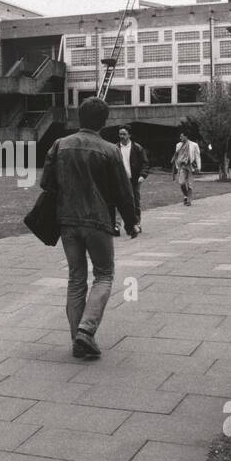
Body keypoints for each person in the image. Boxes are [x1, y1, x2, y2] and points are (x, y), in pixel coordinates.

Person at [41, 97, 140, 360]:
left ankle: (79, 339)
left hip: (68, 221)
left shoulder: (60, 145)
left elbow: (45, 183)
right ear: (104, 121)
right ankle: (86, 330)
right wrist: (132, 222)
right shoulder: (110, 150)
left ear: (79, 118)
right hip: (98, 221)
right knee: (104, 275)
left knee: (76, 278)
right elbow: (124, 192)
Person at [114, 126, 150, 235]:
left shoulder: (137, 148)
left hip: (134, 179)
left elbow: (145, 163)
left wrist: (142, 175)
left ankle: (136, 224)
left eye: (124, 134)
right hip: (120, 180)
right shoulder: (115, 148)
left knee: (134, 202)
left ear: (129, 135)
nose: (122, 137)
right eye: (120, 134)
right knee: (118, 202)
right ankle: (116, 226)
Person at [172, 131, 201, 206]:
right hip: (182, 166)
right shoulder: (178, 145)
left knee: (190, 184)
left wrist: (199, 167)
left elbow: (197, 156)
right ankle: (186, 195)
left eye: (181, 136)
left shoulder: (194, 145)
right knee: (181, 183)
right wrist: (176, 166)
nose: (180, 138)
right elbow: (177, 156)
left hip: (190, 166)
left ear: (186, 136)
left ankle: (189, 200)